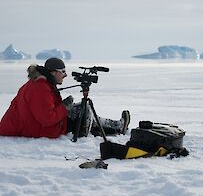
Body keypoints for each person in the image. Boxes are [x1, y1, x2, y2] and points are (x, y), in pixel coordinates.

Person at [0, 57, 130, 139]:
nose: (65, 74)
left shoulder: (41, 84)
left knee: (80, 111)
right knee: (82, 112)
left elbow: (44, 110)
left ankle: (115, 126)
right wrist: (64, 107)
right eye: (62, 71)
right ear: (53, 72)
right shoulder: (40, 88)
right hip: (36, 129)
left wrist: (63, 106)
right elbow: (47, 119)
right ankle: (117, 127)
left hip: (30, 125)